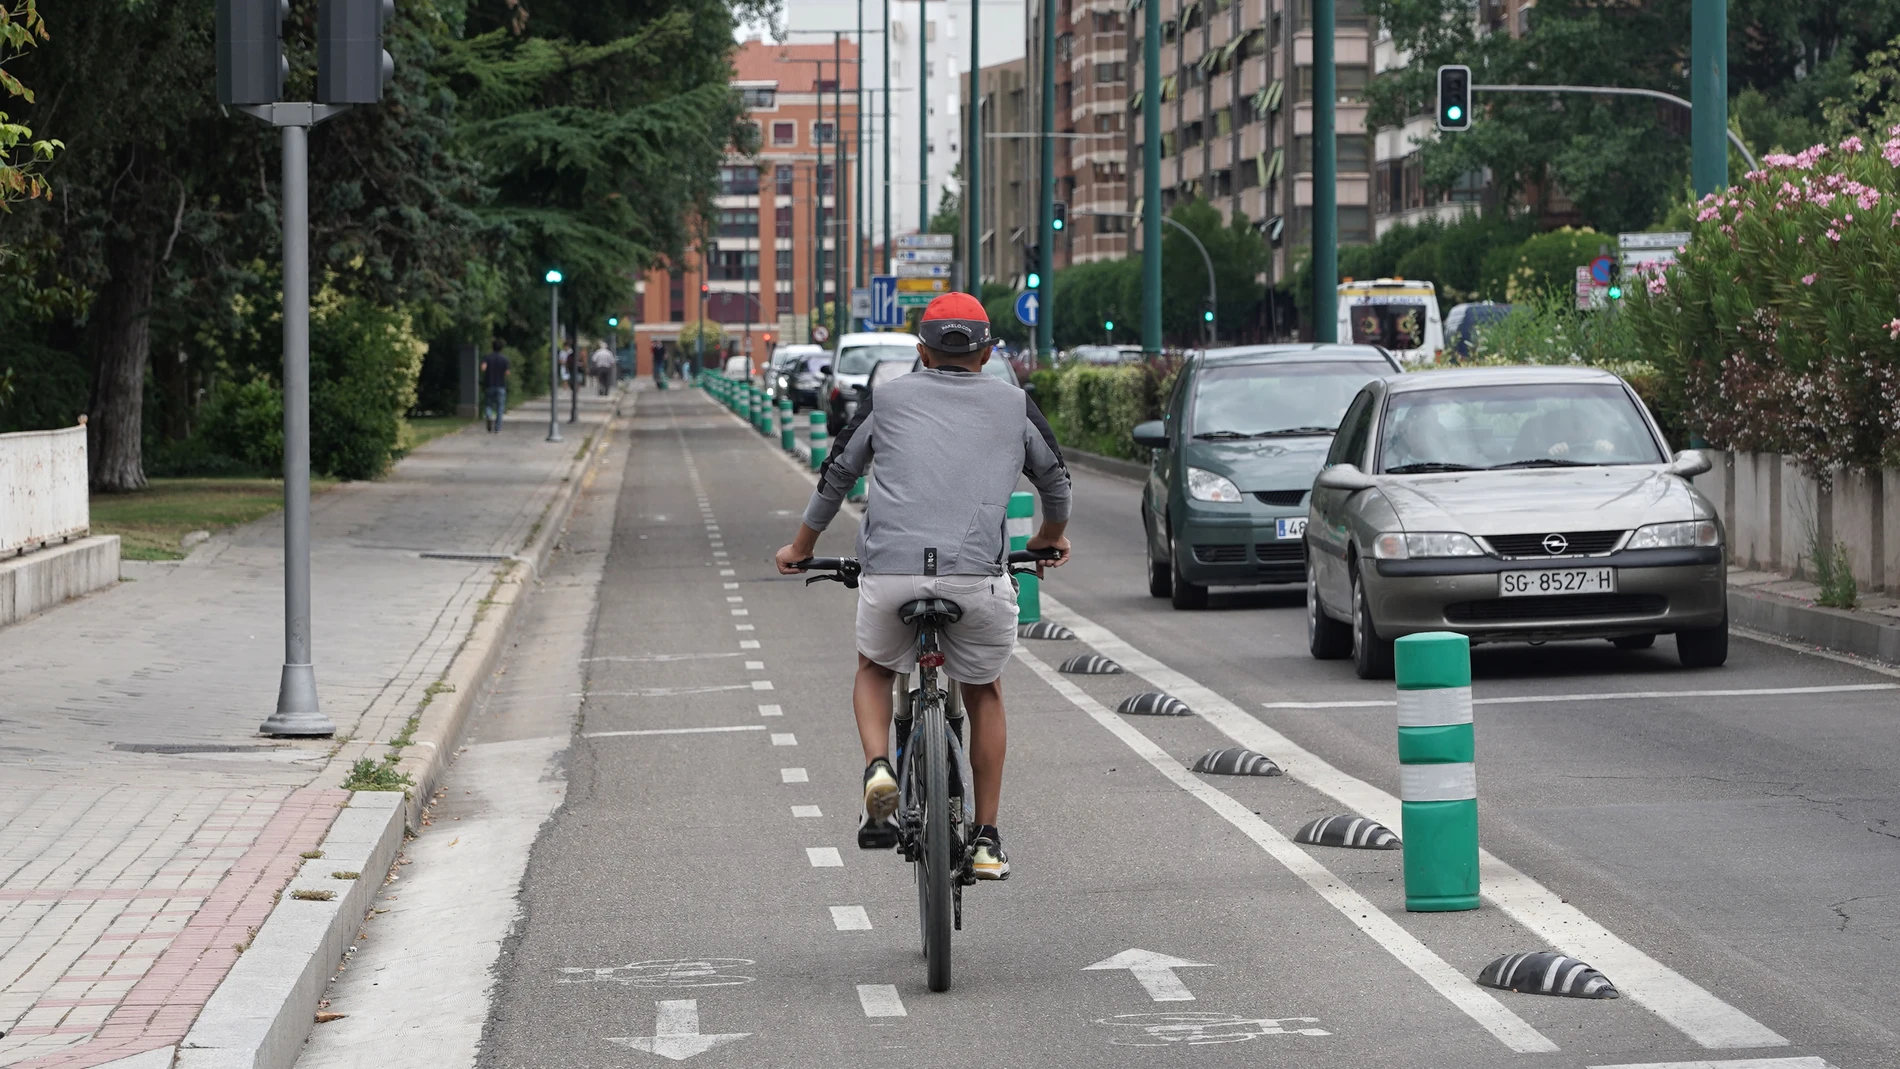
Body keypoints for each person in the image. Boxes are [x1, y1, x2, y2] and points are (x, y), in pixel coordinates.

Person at [774, 292, 1072, 881]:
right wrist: (1048, 538)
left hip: (890, 575)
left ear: (921, 351)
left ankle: (879, 766)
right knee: (983, 689)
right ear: (987, 352)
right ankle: (986, 838)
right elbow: (1056, 482)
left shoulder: (884, 398)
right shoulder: (1014, 404)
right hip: (974, 579)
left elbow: (837, 474)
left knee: (875, 668)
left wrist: (801, 548)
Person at [480, 341, 510, 433]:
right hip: (500, 386)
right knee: (500, 407)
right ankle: (497, 428)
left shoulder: (487, 357)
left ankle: (489, 416)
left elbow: (483, 368)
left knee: (488, 404)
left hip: (489, 385)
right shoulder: (504, 359)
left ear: (492, 347)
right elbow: (507, 373)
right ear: (501, 348)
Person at [564, 343, 584, 423]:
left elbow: (567, 364)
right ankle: (575, 391)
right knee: (576, 383)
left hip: (574, 372)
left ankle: (574, 391)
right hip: (575, 372)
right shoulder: (576, 356)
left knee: (575, 383)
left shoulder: (573, 356)